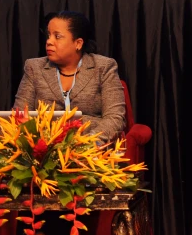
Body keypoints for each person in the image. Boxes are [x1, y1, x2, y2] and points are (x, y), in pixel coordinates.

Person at [14, 11, 126, 145]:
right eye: (48, 35)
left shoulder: (103, 67)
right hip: (43, 150)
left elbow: (115, 118)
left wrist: (87, 143)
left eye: (57, 36)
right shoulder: (34, 68)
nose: (49, 41)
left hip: (92, 150)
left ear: (78, 43)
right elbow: (19, 115)